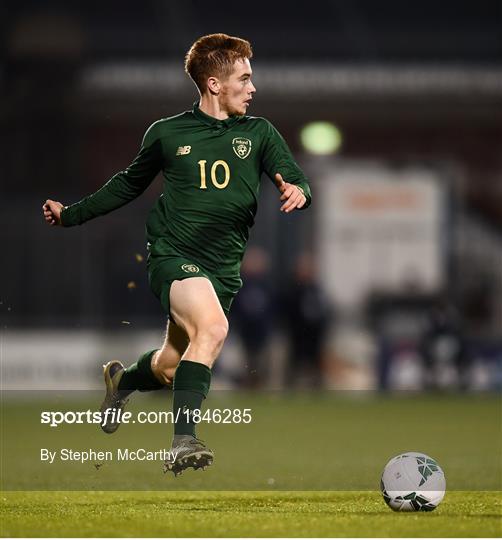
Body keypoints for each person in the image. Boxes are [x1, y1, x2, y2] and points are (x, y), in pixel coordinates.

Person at [43, 33, 311, 476]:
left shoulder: (260, 133)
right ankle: (183, 440)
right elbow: (128, 184)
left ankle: (122, 381)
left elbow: (297, 177)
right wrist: (71, 215)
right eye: (243, 78)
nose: (252, 88)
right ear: (213, 84)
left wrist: (297, 189)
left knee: (170, 367)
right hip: (173, 256)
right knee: (214, 326)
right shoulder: (167, 133)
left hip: (222, 270)